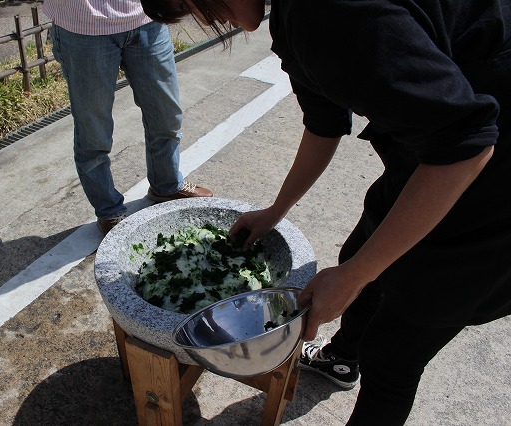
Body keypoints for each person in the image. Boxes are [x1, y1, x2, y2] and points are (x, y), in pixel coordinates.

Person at [138, 0, 511, 424]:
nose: (206, 20)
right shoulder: (296, 18)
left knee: (392, 354)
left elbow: (467, 144)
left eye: (193, 3)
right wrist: (276, 211)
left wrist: (352, 276)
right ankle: (341, 357)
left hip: (493, 177)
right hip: (435, 144)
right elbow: (324, 121)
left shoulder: (329, 13)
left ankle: (365, 358)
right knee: (364, 251)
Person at [43, 0, 213, 236]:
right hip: (83, 24)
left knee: (167, 116)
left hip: (148, 15)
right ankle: (109, 209)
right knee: (94, 131)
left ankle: (166, 185)